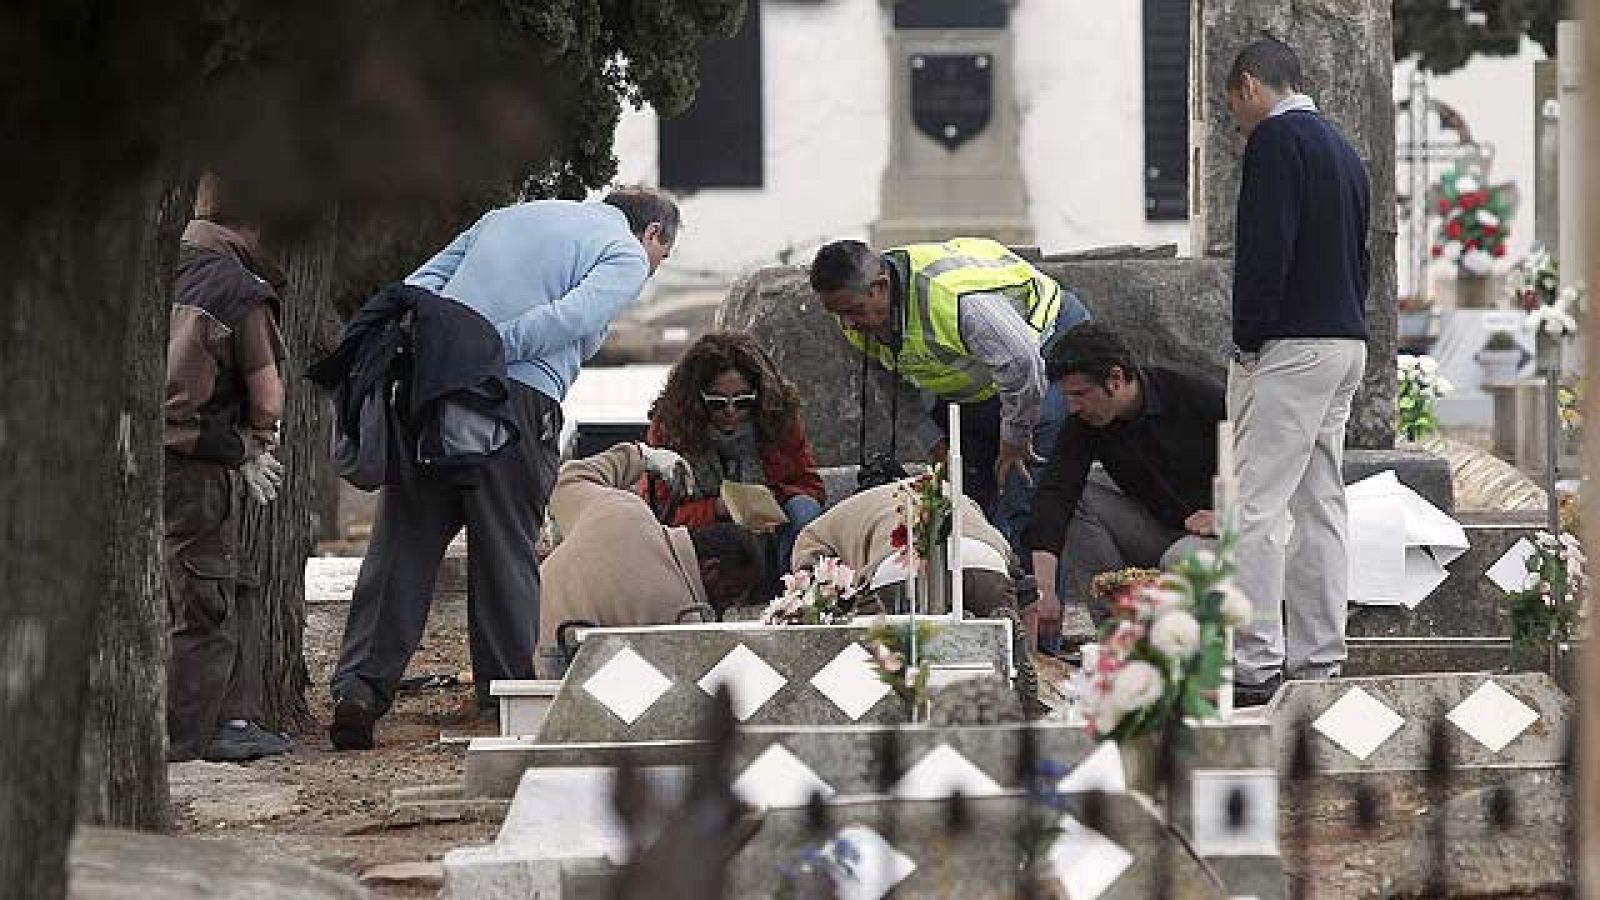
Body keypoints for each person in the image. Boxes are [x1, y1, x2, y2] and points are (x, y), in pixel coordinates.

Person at [329, 187, 679, 750]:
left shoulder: (506, 216)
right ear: (654, 234)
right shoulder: (625, 251)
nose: (655, 268)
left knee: (401, 545)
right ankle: (505, 700)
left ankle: (359, 692)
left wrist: (443, 350)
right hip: (518, 399)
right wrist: (492, 347)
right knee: (505, 554)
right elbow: (574, 317)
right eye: (664, 256)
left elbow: (420, 285)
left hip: (433, 394)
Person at [1223, 39, 1370, 706]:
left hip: (1293, 344)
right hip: (1344, 341)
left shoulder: (1277, 142)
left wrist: (1249, 338)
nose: (1238, 124)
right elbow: (1361, 255)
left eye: (1234, 108)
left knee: (1252, 505)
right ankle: (1319, 661)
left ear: (1251, 85)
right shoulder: (1342, 149)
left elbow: (1263, 250)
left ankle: (1254, 663)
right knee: (1321, 503)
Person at [807, 238, 1089, 519]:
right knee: (959, 501)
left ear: (880, 287)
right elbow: (890, 386)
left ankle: (1025, 556)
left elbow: (1022, 367)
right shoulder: (857, 317)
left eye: (852, 311)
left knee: (1023, 484)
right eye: (838, 314)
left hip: (1046, 346)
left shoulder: (957, 302)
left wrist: (1015, 439)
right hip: (979, 379)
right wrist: (934, 444)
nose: (847, 324)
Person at [162, 196, 293, 762]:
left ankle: (234, 720)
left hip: (129, 456)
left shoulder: (157, 266)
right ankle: (190, 744)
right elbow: (268, 399)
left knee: (195, 592)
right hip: (193, 461)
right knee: (203, 604)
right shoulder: (239, 290)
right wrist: (250, 443)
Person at [1022, 323, 1225, 630]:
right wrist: (1045, 591)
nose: (1072, 407)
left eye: (1080, 394)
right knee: (1080, 500)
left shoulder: (1195, 394)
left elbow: (1266, 457)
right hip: (1159, 529)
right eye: (1067, 396)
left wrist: (1227, 512)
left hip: (1222, 532)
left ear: (1115, 379)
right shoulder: (1085, 422)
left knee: (1180, 559)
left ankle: (1184, 648)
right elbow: (1055, 494)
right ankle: (1116, 631)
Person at [537, 443, 765, 677]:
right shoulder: (681, 615)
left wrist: (642, 456)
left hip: (517, 632)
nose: (726, 608)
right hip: (557, 676)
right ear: (711, 570)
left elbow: (568, 480)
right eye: (729, 594)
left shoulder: (625, 510)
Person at [644, 332, 826, 581]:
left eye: (742, 401)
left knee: (803, 510)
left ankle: (797, 589)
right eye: (717, 402)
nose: (730, 411)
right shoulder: (670, 432)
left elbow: (810, 485)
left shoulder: (778, 420)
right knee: (727, 538)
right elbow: (658, 515)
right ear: (696, 400)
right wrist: (718, 508)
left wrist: (771, 501)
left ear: (759, 396)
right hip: (705, 538)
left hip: (773, 532)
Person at [790, 480, 1017, 618]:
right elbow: (1021, 580)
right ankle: (1005, 650)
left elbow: (817, 588)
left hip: (898, 567)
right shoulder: (957, 495)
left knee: (898, 667)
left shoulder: (814, 533)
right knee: (999, 651)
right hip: (983, 557)